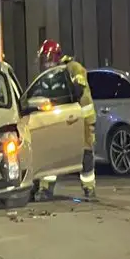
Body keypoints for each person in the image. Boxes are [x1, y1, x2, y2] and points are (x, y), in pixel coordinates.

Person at [36, 40, 96, 201]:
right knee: (52, 154)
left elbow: (78, 89)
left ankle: (89, 188)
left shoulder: (73, 68)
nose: (46, 63)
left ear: (56, 56)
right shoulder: (52, 75)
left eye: (48, 59)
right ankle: (46, 189)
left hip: (82, 119)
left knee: (85, 154)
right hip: (61, 119)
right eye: (44, 60)